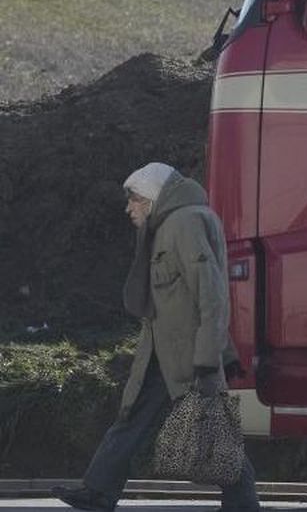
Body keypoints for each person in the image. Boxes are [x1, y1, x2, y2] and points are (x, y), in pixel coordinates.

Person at [53, 164, 259, 512]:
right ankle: (98, 492)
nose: (128, 208)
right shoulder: (167, 225)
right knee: (131, 417)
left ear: (151, 199)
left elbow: (211, 292)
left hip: (191, 355)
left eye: (133, 200)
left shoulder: (185, 223)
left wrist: (210, 353)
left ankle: (243, 502)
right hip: (162, 352)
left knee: (212, 428)